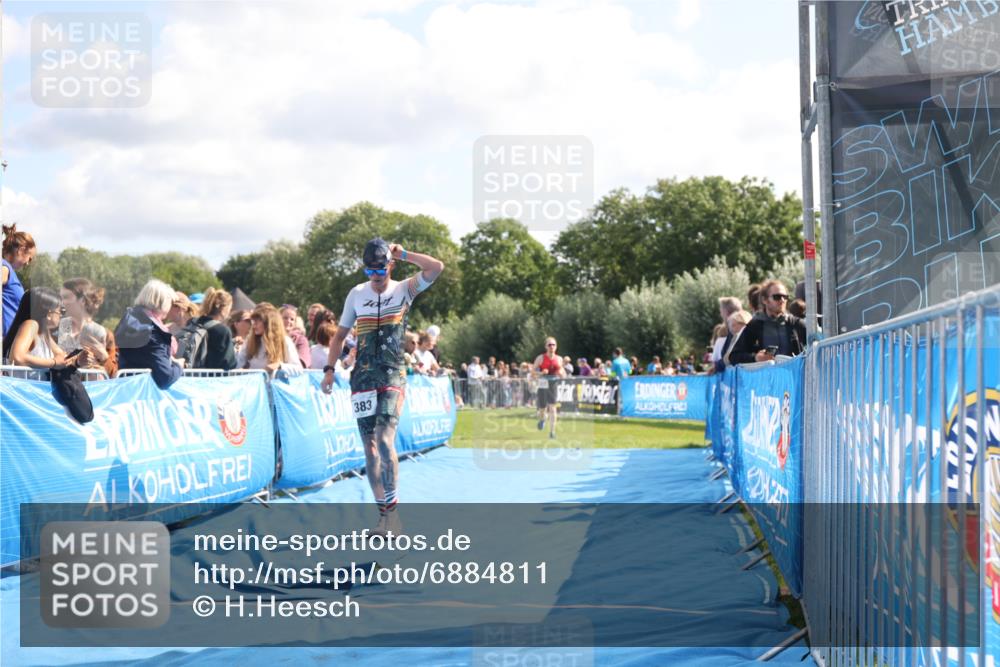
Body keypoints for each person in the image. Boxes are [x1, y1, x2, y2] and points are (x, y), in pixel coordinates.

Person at [320, 238, 444, 536]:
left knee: (385, 440)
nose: (375, 277)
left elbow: (436, 267)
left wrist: (405, 254)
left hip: (392, 375)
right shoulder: (356, 294)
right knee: (370, 448)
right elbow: (339, 337)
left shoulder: (404, 289)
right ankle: (384, 516)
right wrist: (329, 370)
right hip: (362, 378)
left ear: (390, 266)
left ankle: (394, 516)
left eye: (380, 270)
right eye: (369, 272)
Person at [115, 280, 183, 389]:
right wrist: (179, 365)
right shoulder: (153, 332)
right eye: (170, 302)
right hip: (146, 393)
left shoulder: (129, 319)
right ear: (163, 303)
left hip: (127, 388)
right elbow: (166, 378)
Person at [3, 287, 92, 370]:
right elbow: (17, 357)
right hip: (23, 382)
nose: (61, 315)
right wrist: (53, 362)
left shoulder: (44, 333)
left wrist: (78, 360)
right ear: (49, 314)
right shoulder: (31, 325)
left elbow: (61, 357)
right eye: (60, 311)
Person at [729, 280, 806, 364]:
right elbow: (734, 357)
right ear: (764, 300)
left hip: (792, 372)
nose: (782, 300)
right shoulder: (754, 326)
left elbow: (815, 342)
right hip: (766, 372)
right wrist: (755, 358)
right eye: (777, 297)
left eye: (785, 297)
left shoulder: (795, 324)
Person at [58, 278, 118, 377]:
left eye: (66, 297)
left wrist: (104, 357)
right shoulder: (55, 330)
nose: (61, 302)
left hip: (93, 387)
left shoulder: (105, 334)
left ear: (82, 300)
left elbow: (114, 375)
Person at [237, 304, 300, 376]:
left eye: (258, 321)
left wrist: (279, 365)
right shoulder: (250, 340)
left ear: (269, 323)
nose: (254, 325)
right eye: (253, 321)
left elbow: (298, 369)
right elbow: (239, 362)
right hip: (253, 382)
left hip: (274, 382)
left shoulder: (285, 341)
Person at [185, 287, 237, 370]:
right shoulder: (223, 331)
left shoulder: (192, 322)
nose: (229, 312)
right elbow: (228, 363)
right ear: (223, 308)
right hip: (210, 377)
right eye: (229, 308)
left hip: (188, 373)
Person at [2, 223, 36, 338]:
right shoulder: (5, 268)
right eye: (29, 258)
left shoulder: (9, 271)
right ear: (21, 250)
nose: (28, 263)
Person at [532, 336, 566, 439]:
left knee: (553, 408)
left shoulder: (559, 359)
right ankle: (542, 419)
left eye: (553, 345)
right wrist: (541, 372)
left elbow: (563, 373)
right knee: (542, 409)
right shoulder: (540, 358)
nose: (551, 346)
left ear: (556, 346)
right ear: (546, 346)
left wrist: (562, 374)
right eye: (549, 345)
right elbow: (532, 372)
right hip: (543, 383)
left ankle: (552, 432)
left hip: (553, 384)